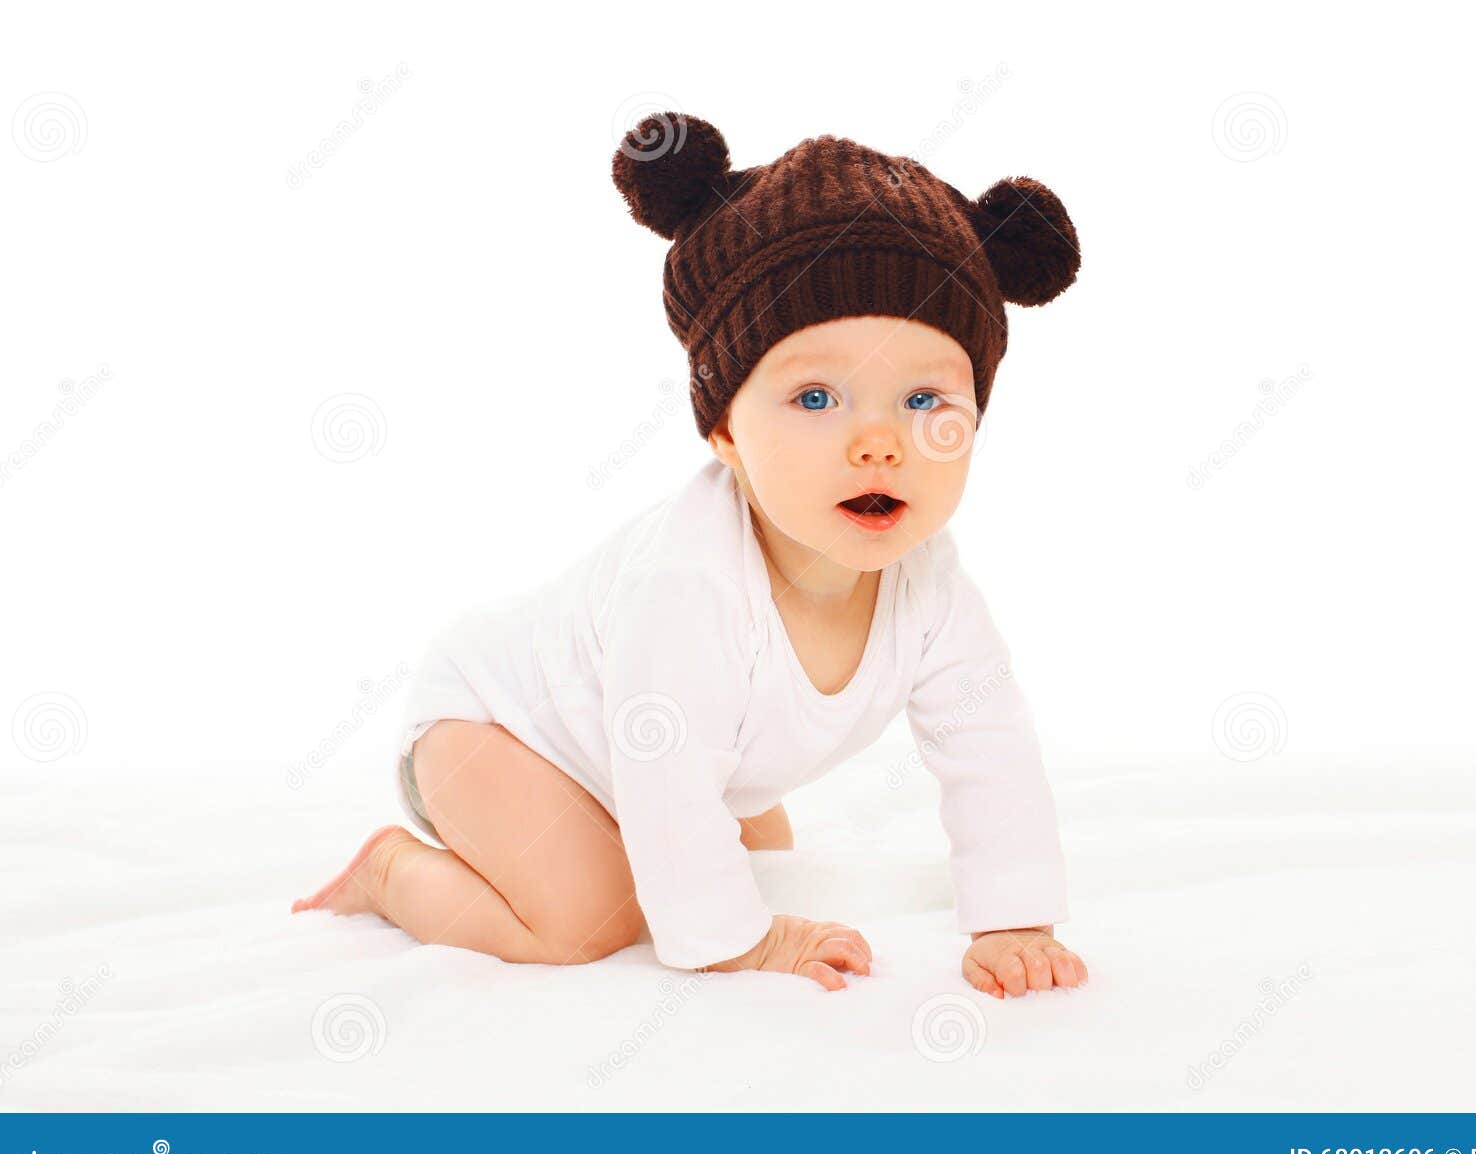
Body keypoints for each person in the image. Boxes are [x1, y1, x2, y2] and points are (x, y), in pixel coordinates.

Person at [292, 111, 1089, 1000]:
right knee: (590, 919)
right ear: (725, 431)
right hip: (494, 728)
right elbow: (666, 772)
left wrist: (1014, 916)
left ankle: (623, 850)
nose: (878, 441)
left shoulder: (933, 588)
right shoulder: (689, 581)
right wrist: (741, 942)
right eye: (817, 395)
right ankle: (395, 871)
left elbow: (991, 747)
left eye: (923, 397)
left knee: (765, 853)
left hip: (637, 749)